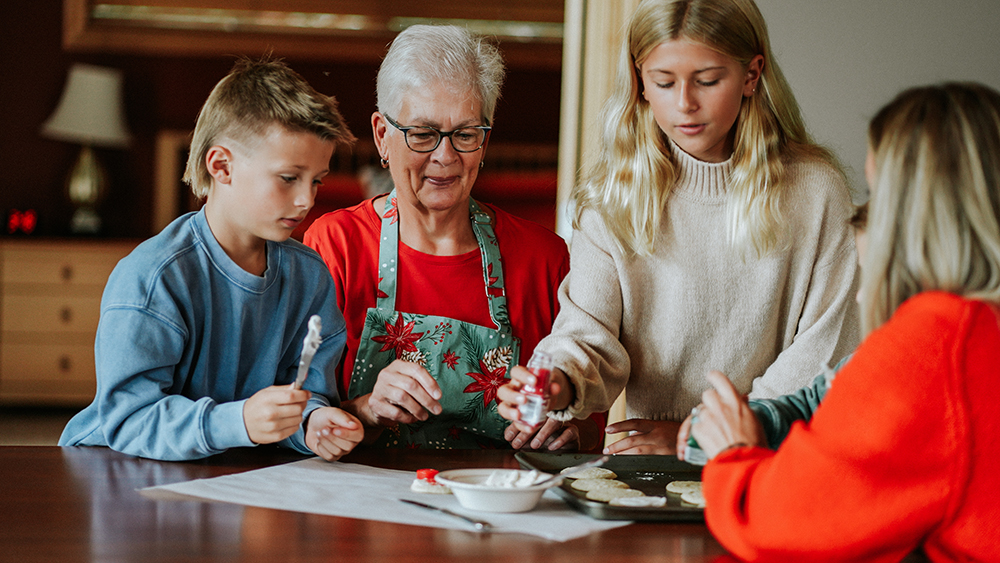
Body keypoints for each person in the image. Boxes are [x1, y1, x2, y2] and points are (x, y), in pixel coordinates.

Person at [497, 0, 859, 455]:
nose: (685, 104)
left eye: (707, 80)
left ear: (751, 75)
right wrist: (558, 381)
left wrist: (694, 436)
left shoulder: (816, 192)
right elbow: (588, 335)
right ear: (640, 83)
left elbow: (820, 359)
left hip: (773, 462)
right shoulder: (614, 198)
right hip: (647, 463)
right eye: (663, 82)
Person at [689, 82, 1000, 562]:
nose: (862, 216)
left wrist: (733, 452)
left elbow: (782, 524)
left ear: (912, 215)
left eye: (878, 196)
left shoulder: (937, 344)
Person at [304, 25, 603, 451]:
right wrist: (366, 408)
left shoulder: (544, 259)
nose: (445, 158)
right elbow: (300, 413)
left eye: (465, 135)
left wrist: (569, 432)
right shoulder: (336, 246)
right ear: (382, 135)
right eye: (423, 134)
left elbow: (592, 422)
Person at [59, 57, 364, 462]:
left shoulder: (310, 277)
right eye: (289, 178)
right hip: (113, 469)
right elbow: (128, 419)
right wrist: (237, 422)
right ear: (221, 166)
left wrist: (311, 423)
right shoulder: (154, 277)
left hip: (230, 478)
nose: (307, 200)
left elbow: (306, 393)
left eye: (317, 181)